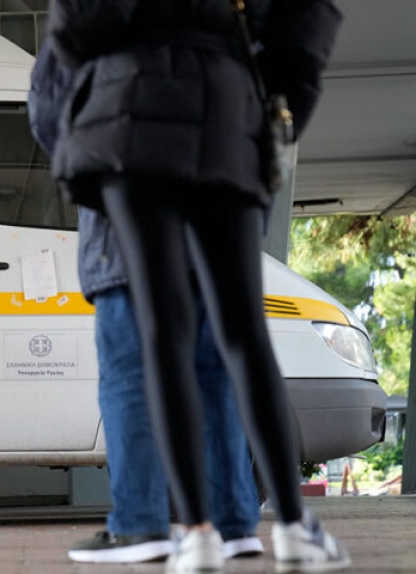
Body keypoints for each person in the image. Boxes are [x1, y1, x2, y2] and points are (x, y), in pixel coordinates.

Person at [45, 1, 349, 572]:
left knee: (163, 333)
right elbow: (305, 32)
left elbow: (72, 29)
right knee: (243, 333)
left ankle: (197, 534)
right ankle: (293, 526)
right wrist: (277, 118)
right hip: (226, 112)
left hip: (127, 116)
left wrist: (102, 83)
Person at [28, 37, 263, 564]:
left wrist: (91, 166)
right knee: (211, 374)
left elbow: (47, 110)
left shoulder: (96, 17)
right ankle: (234, 523)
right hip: (213, 217)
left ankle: (140, 524)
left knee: (131, 373)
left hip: (124, 221)